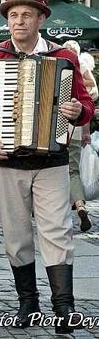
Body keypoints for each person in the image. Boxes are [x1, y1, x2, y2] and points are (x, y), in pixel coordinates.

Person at [0, 0, 94, 335]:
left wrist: (78, 112)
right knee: (17, 236)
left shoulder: (64, 57)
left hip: (52, 161)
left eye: (26, 15)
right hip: (6, 162)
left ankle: (65, 307)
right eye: (13, 15)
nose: (18, 21)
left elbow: (85, 105)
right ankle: (27, 304)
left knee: (58, 231)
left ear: (41, 19)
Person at [63, 40, 95, 232]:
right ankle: (80, 206)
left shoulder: (55, 60)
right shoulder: (81, 66)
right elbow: (89, 99)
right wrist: (85, 130)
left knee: (53, 170)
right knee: (73, 171)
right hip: (76, 127)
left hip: (58, 128)